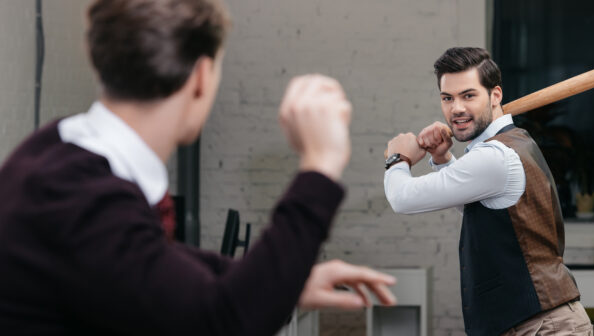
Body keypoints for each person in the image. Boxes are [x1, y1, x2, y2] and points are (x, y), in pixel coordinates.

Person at [0, 0, 396, 334]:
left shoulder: (58, 152)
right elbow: (225, 321)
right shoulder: (79, 196)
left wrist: (284, 280)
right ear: (202, 76)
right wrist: (320, 165)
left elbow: (150, 262)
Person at [383, 47, 591, 336]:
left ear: (495, 96)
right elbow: (480, 208)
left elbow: (402, 198)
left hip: (545, 326)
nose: (456, 108)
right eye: (448, 98)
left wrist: (397, 159)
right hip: (534, 323)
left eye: (468, 95)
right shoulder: (510, 145)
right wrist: (443, 158)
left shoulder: (494, 157)